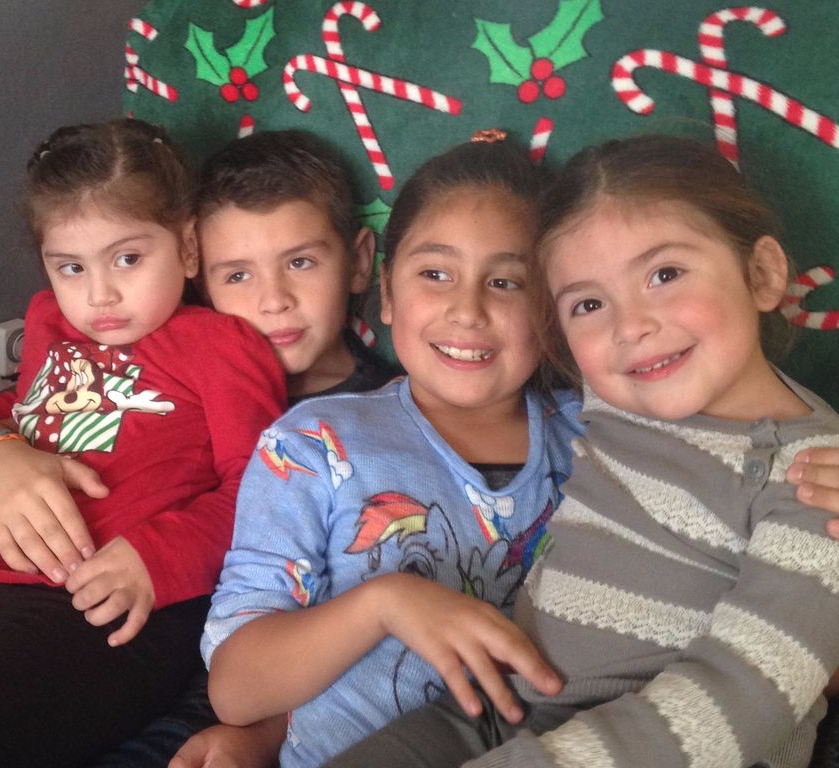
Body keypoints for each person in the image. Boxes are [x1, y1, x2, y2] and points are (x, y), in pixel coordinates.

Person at [325, 135, 839, 768]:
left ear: (761, 274)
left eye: (665, 274)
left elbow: (737, 703)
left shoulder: (816, 480)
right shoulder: (615, 387)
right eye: (589, 304)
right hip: (503, 710)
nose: (630, 326)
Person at [0, 117, 286, 768]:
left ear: (185, 247)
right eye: (70, 267)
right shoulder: (48, 321)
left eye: (128, 258)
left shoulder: (220, 347)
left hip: (109, 605)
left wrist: (159, 556)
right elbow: (27, 410)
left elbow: (266, 487)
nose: (99, 294)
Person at [198, 135, 577, 768]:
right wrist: (385, 603)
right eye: (435, 274)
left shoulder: (594, 441)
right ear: (388, 291)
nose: (468, 310)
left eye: (506, 281)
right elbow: (236, 689)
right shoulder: (313, 445)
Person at [195, 129, 400, 403]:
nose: (275, 301)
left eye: (300, 263)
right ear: (205, 290)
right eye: (238, 276)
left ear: (358, 262)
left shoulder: (405, 409)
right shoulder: (173, 403)